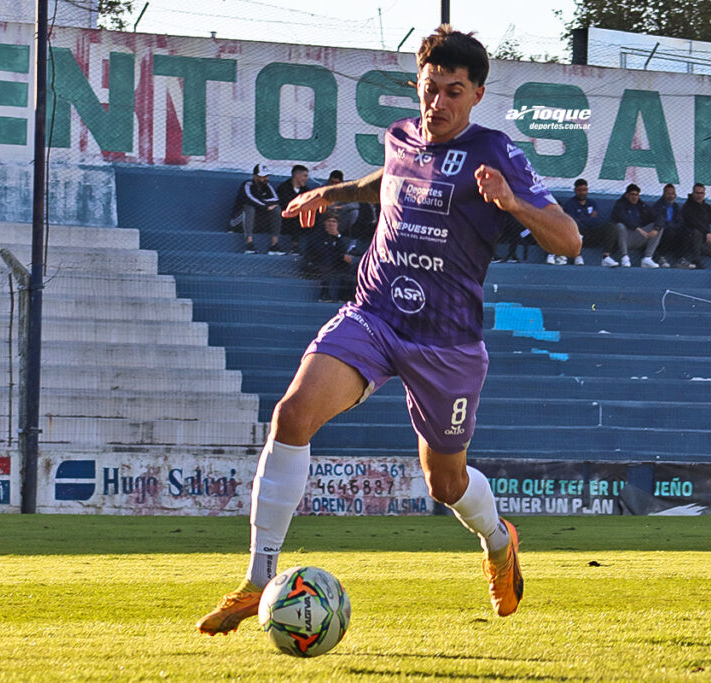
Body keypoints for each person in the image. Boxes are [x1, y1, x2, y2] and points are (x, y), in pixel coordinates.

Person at [196, 25, 581, 636]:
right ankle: (256, 579)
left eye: (454, 91)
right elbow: (392, 179)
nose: (439, 103)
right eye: (431, 89)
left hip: (446, 342)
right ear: (418, 87)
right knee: (292, 415)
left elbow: (569, 238)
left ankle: (498, 538)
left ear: (477, 94)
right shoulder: (400, 138)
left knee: (445, 482)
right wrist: (334, 191)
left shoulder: (498, 153)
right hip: (374, 315)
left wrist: (513, 204)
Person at [552, 178, 615, 266]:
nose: (582, 192)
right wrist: (589, 219)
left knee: (610, 227)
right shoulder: (570, 204)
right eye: (579, 190)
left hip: (592, 234)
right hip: (577, 236)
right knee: (573, 227)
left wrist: (583, 218)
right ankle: (577, 255)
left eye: (584, 190)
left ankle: (606, 257)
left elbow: (597, 220)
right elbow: (573, 222)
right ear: (575, 191)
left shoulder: (592, 203)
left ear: (587, 190)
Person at [302, 212, 358, 302]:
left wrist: (338, 236)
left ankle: (344, 296)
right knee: (326, 261)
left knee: (349, 266)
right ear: (324, 223)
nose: (331, 224)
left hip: (334, 262)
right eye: (329, 221)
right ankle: (324, 295)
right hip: (315, 262)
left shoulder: (338, 237)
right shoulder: (317, 235)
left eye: (334, 221)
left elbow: (343, 250)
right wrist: (340, 255)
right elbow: (321, 252)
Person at [229, 164, 283, 254]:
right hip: (238, 222)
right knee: (249, 208)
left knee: (276, 209)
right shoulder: (247, 185)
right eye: (262, 176)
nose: (265, 179)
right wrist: (266, 206)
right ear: (255, 176)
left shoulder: (268, 186)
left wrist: (265, 204)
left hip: (257, 223)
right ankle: (249, 245)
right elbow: (250, 199)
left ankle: (274, 245)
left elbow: (276, 200)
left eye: (266, 176)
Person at [609, 183, 661, 268]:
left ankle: (647, 258)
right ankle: (624, 257)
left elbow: (658, 217)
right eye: (632, 195)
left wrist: (655, 229)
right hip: (624, 238)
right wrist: (638, 228)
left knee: (659, 226)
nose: (635, 197)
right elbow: (623, 218)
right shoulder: (620, 204)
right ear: (626, 195)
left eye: (637, 195)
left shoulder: (641, 205)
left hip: (639, 237)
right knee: (620, 226)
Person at [277, 164, 312, 255]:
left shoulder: (306, 190)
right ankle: (294, 246)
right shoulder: (283, 188)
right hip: (285, 221)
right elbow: (285, 205)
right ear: (296, 175)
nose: (306, 179)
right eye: (305, 176)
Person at [651, 183, 683, 268]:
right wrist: (670, 225)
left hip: (674, 229)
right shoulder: (658, 206)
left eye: (672, 194)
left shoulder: (676, 206)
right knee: (669, 232)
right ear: (664, 194)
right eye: (668, 193)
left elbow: (680, 221)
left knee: (687, 233)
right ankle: (660, 256)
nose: (671, 196)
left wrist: (674, 226)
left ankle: (681, 259)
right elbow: (658, 220)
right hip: (663, 230)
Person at [325, 170, 360, 236]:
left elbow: (355, 205)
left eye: (336, 183)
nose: (334, 185)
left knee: (354, 212)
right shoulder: (322, 189)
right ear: (329, 181)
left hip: (339, 214)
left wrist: (342, 207)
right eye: (332, 182)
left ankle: (340, 234)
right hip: (325, 213)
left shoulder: (346, 191)